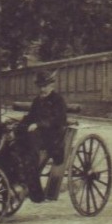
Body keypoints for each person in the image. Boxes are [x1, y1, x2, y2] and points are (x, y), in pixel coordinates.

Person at [15, 70, 68, 202]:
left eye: (45, 86)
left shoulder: (58, 100)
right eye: (40, 86)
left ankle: (36, 194)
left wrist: (38, 124)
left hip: (53, 137)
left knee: (30, 155)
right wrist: (21, 122)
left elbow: (57, 120)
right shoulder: (37, 101)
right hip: (38, 135)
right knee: (17, 137)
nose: (42, 89)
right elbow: (31, 116)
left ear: (52, 86)